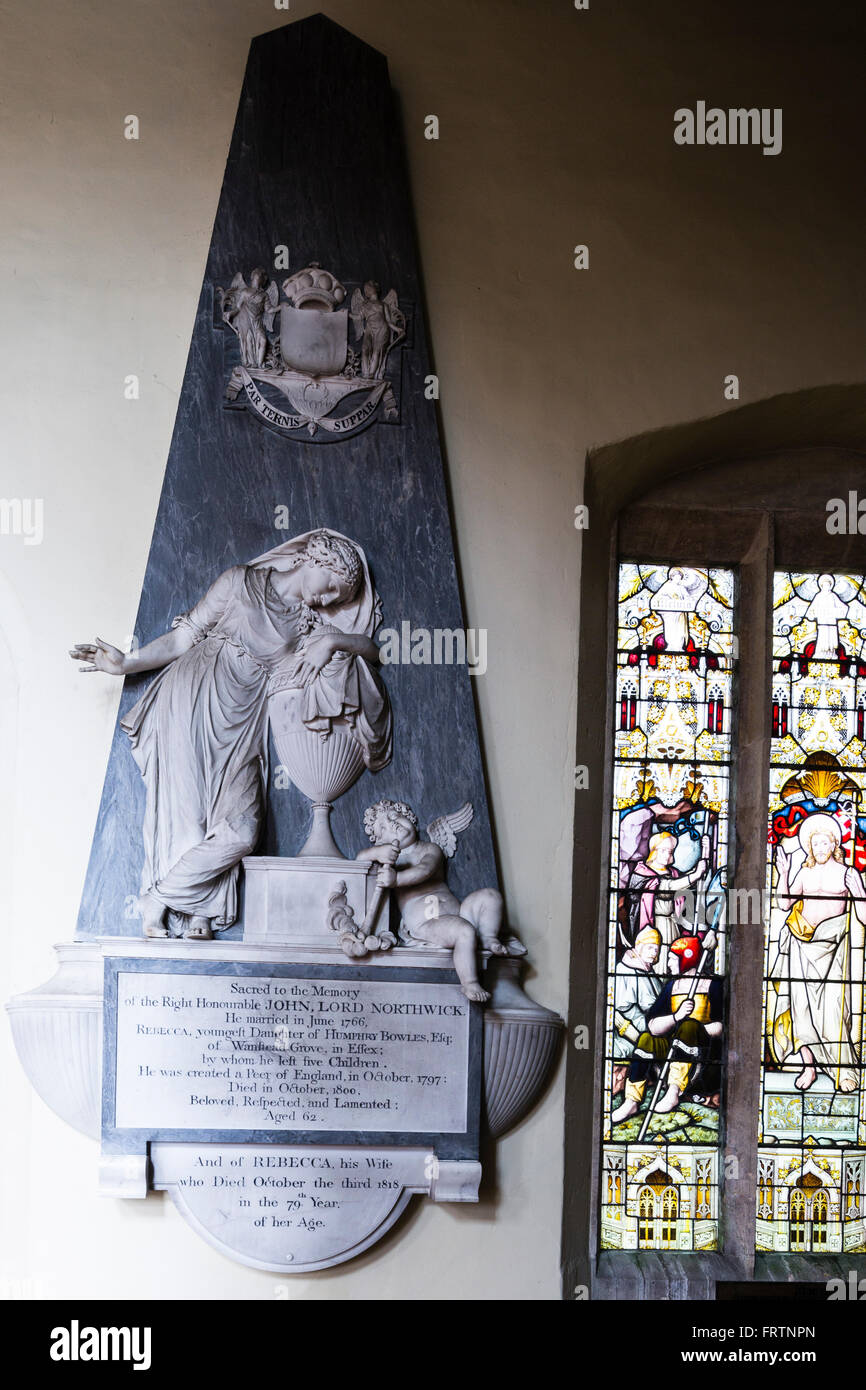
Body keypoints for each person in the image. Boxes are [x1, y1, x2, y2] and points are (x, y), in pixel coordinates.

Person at [70, 529, 391, 940]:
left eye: (338, 599)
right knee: (187, 813)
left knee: (241, 829)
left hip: (246, 714)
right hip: (195, 691)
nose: (328, 601)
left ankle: (162, 894)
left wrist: (333, 639)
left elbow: (372, 651)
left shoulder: (308, 625)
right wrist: (126, 664)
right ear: (317, 560)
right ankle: (194, 913)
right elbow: (185, 637)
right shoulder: (239, 581)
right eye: (331, 588)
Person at [356, 798, 517, 1002]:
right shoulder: (388, 862)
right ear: (380, 841)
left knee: (490, 897)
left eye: (395, 816)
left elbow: (424, 870)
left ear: (409, 817)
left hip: (457, 914)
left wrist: (396, 879)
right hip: (426, 924)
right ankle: (469, 983)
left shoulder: (430, 849)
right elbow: (358, 863)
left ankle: (488, 937)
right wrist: (376, 853)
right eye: (384, 827)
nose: (393, 823)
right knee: (464, 931)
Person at [768, 813, 866, 1092]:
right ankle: (809, 1067)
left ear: (834, 844)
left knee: (836, 1010)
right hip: (801, 944)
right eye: (815, 844)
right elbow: (785, 904)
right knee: (801, 1010)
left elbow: (864, 916)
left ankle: (844, 1071)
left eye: (825, 843)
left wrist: (859, 891)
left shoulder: (848, 874)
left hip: (833, 949)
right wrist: (784, 874)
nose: (820, 848)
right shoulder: (805, 872)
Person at [611, 933, 723, 1123]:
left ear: (687, 959)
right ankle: (631, 1101)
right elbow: (653, 1026)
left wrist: (696, 1028)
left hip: (704, 1056)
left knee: (689, 1026)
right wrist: (675, 1017)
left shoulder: (712, 985)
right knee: (647, 1038)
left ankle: (673, 1092)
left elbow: (721, 1027)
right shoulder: (672, 986)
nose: (669, 965)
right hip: (672, 1051)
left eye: (673, 960)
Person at [622, 830, 710, 966]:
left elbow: (689, 883)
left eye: (670, 851)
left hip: (673, 924)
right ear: (654, 851)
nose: (667, 854)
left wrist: (706, 853)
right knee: (658, 960)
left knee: (673, 961)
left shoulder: (673, 873)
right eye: (663, 850)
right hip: (653, 926)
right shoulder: (643, 872)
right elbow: (666, 887)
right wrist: (695, 875)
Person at [611, 926, 662, 1095]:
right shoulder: (624, 970)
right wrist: (635, 1031)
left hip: (650, 1027)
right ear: (638, 947)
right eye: (650, 947)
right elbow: (618, 1011)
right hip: (628, 1031)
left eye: (657, 948)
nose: (654, 952)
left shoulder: (647, 970)